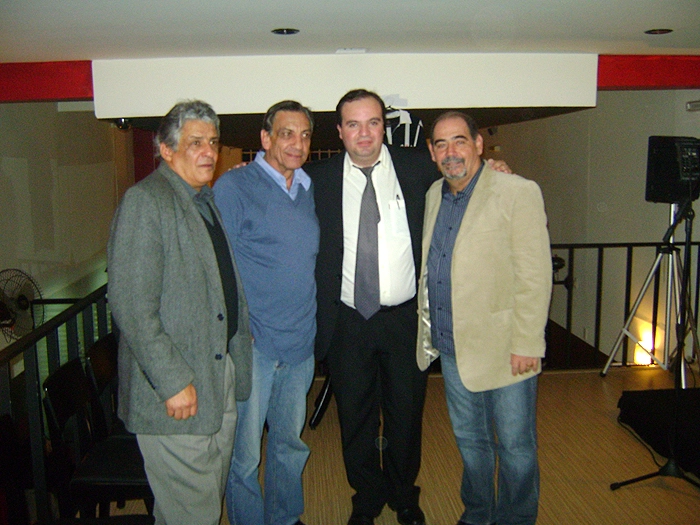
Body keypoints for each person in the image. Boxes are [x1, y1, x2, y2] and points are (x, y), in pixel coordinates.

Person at [107, 100, 252, 525]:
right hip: (177, 389)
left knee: (205, 495)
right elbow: (132, 305)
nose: (209, 151)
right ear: (166, 150)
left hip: (216, 373)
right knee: (192, 508)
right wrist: (172, 381)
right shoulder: (146, 201)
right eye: (195, 143)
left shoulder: (203, 200)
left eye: (212, 142)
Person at [305, 89, 438, 525]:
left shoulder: (417, 167)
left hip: (403, 319)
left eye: (374, 122)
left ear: (384, 125)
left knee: (405, 412)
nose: (365, 133)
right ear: (340, 131)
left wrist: (494, 167)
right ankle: (366, 496)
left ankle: (404, 495)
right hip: (347, 321)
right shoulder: (316, 178)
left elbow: (465, 175)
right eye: (354, 124)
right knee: (355, 416)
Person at [416, 111, 552, 525]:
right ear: (431, 152)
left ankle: (515, 519)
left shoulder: (516, 191)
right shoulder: (434, 195)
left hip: (506, 348)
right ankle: (477, 514)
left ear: (478, 144)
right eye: (441, 144)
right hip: (453, 345)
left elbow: (535, 274)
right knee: (472, 443)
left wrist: (527, 344)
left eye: (459, 141)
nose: (450, 151)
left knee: (515, 447)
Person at [214, 100, 319, 525]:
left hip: (300, 343)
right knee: (244, 456)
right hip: (253, 345)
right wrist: (237, 327)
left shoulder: (310, 188)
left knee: (289, 445)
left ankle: (285, 518)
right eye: (287, 133)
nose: (297, 143)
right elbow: (217, 265)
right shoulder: (234, 187)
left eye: (305, 135)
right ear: (265, 138)